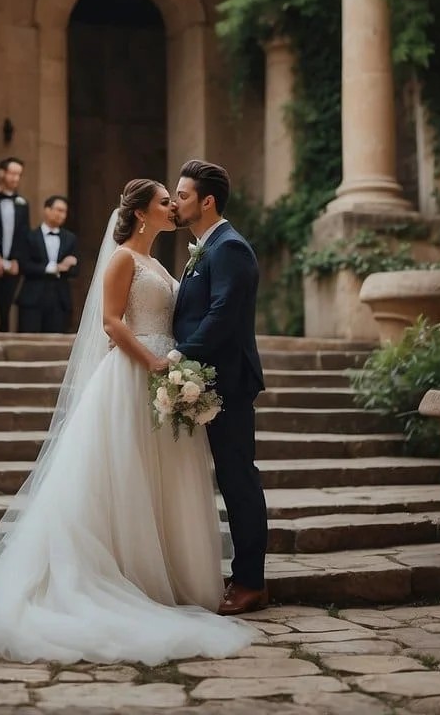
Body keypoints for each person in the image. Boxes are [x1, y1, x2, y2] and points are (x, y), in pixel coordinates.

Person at [0, 178, 254, 665]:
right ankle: (120, 574)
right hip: (133, 375)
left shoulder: (157, 262)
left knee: (162, 475)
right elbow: (112, 323)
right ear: (139, 214)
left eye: (175, 198)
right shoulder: (122, 260)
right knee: (122, 473)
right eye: (163, 201)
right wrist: (153, 363)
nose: (172, 206)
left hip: (164, 373)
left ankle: (166, 575)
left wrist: (173, 364)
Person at [173, 158, 269, 616]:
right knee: (230, 478)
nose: (176, 202)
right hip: (206, 378)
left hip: (226, 381)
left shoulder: (230, 248)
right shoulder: (204, 248)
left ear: (207, 201)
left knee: (238, 480)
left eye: (183, 195)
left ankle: (250, 581)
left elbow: (223, 313)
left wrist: (179, 355)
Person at [17, 195, 79, 333]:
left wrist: (68, 267)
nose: (62, 215)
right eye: (58, 210)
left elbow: (75, 269)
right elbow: (24, 265)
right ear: (47, 210)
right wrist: (54, 268)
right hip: (32, 297)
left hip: (59, 299)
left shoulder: (70, 238)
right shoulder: (30, 236)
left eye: (64, 212)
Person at [0, 157, 30, 332]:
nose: (15, 178)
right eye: (12, 174)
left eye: (19, 175)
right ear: (2, 173)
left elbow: (23, 234)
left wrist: (16, 260)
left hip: (13, 263)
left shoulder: (22, 204)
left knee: (7, 306)